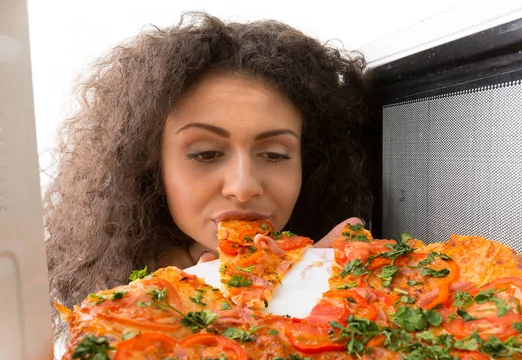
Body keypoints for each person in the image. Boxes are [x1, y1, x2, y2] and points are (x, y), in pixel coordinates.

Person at [44, 12, 372, 321]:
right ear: (150, 169)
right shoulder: (111, 315)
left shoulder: (346, 284)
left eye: (274, 154)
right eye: (206, 154)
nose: (243, 187)